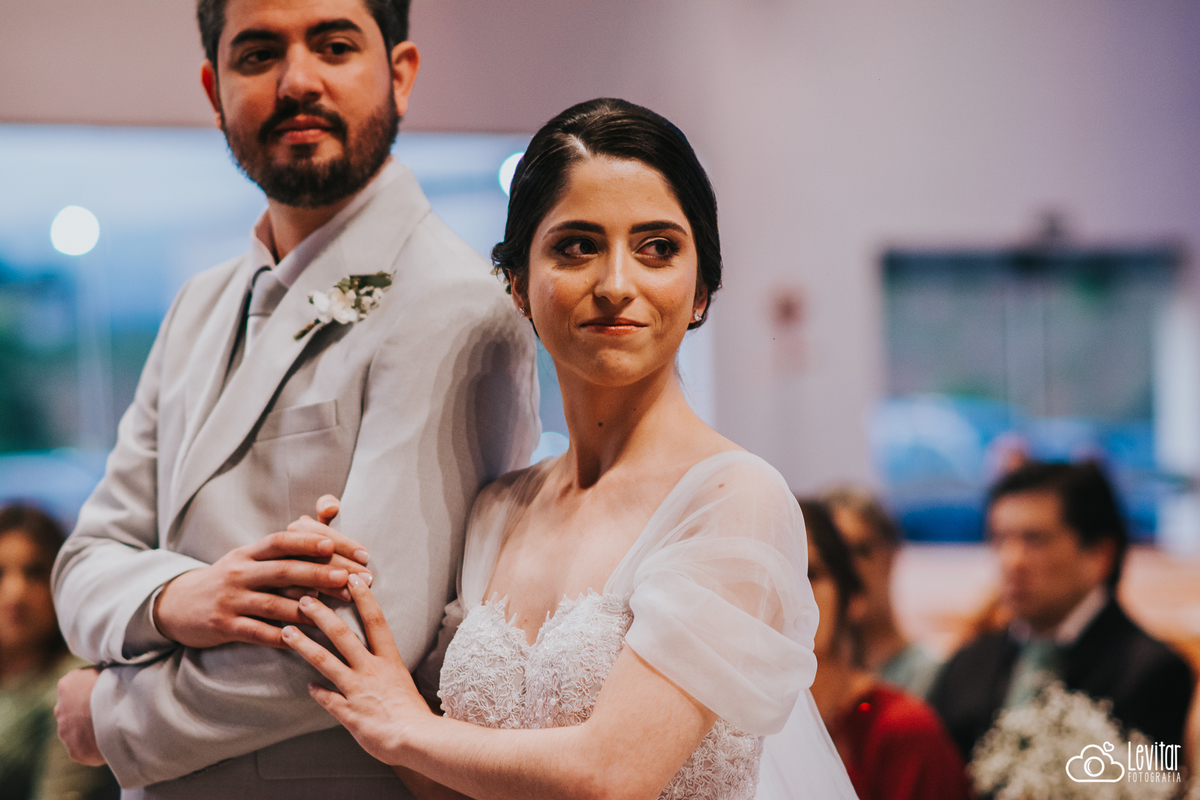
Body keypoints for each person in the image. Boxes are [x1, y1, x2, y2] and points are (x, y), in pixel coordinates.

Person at [279, 97, 859, 800]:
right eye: (577, 245)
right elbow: (448, 783)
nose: (617, 285)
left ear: (702, 287)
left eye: (658, 248)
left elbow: (613, 777)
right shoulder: (497, 507)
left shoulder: (734, 498)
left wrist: (403, 724)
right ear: (518, 284)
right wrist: (336, 610)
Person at [49, 0, 539, 796]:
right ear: (214, 90)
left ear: (401, 74)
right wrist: (178, 598)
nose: (297, 80)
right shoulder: (195, 307)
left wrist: (110, 714)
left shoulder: (456, 306)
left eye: (335, 45)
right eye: (257, 54)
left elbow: (356, 636)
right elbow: (84, 564)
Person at [928, 460, 1196, 760]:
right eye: (1000, 539)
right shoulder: (968, 664)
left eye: (1034, 540)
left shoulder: (1153, 673)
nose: (1011, 561)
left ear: (1100, 554)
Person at [793, 498, 970, 800]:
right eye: (772, 575)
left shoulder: (902, 730)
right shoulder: (734, 726)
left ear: (852, 598)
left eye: (811, 574)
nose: (789, 594)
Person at [0, 505, 116, 800]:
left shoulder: (74, 683)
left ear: (60, 582)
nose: (15, 592)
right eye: (0, 573)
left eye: (34, 572)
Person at [824, 487, 940, 698]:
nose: (847, 568)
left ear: (891, 555)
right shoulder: (806, 676)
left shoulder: (931, 675)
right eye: (833, 556)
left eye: (859, 551)